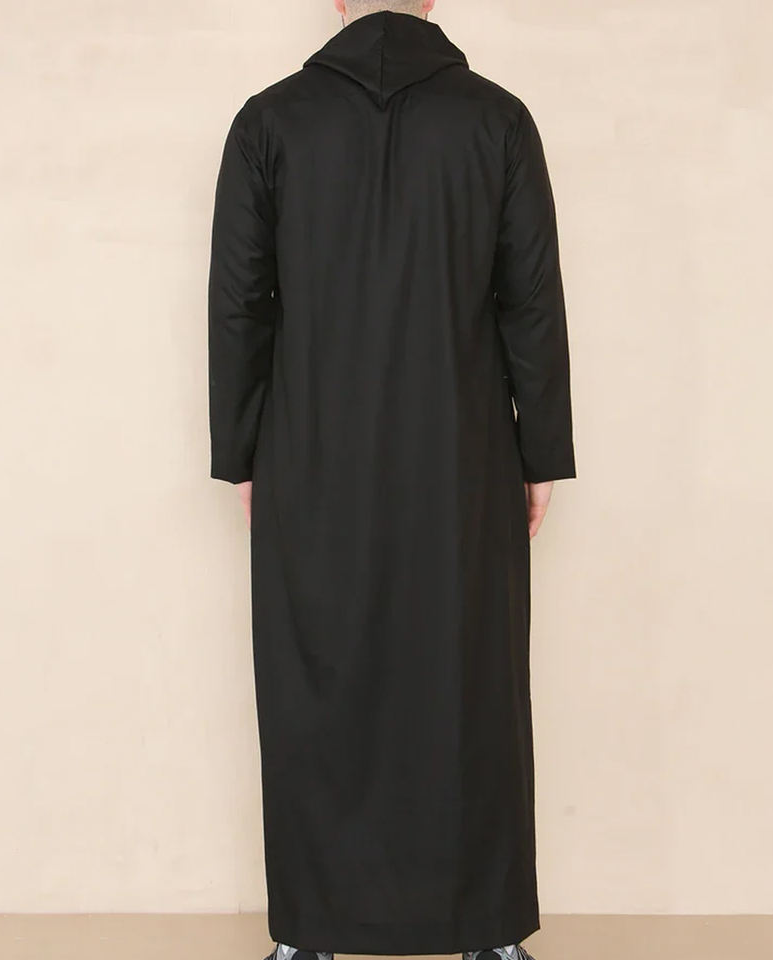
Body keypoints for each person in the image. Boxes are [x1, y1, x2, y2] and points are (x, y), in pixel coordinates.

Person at [207, 1, 576, 958]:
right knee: (469, 676)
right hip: (463, 452)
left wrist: (243, 451)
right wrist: (541, 453)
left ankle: (308, 936)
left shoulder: (268, 122)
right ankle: (490, 934)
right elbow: (530, 300)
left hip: (309, 446)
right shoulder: (498, 119)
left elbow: (241, 301)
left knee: (314, 677)